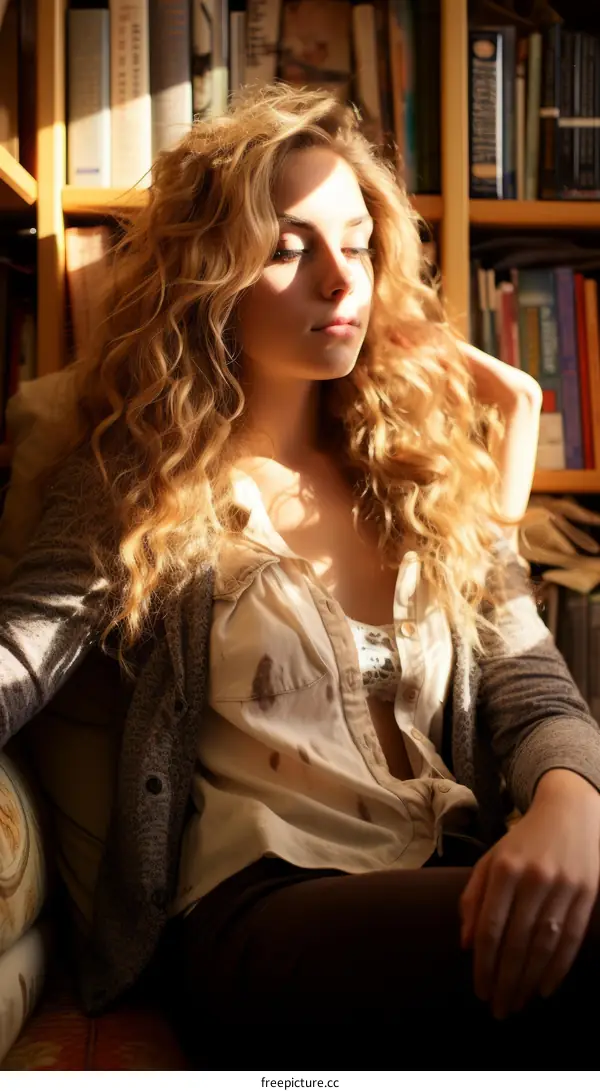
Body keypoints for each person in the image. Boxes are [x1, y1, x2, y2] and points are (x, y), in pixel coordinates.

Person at [1, 83, 599, 1068]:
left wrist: (574, 803)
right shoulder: (136, 477)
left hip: (450, 862)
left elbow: (529, 681)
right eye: (289, 247)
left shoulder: (422, 471)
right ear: (211, 270)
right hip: (259, 910)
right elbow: (20, 652)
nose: (340, 280)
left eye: (358, 244)